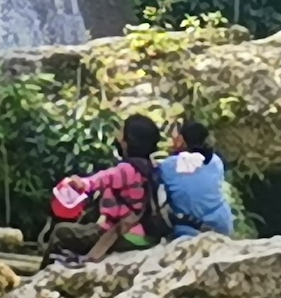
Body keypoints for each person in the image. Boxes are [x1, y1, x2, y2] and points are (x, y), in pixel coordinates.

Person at [48, 113, 170, 264]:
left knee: (61, 231)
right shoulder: (153, 167)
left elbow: (102, 179)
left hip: (124, 234)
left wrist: (81, 183)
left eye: (121, 132)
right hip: (145, 234)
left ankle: (39, 278)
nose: (118, 136)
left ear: (128, 141)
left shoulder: (126, 169)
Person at [158, 118, 234, 237]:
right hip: (222, 225)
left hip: (188, 231)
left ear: (182, 140)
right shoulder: (215, 161)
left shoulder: (169, 165)